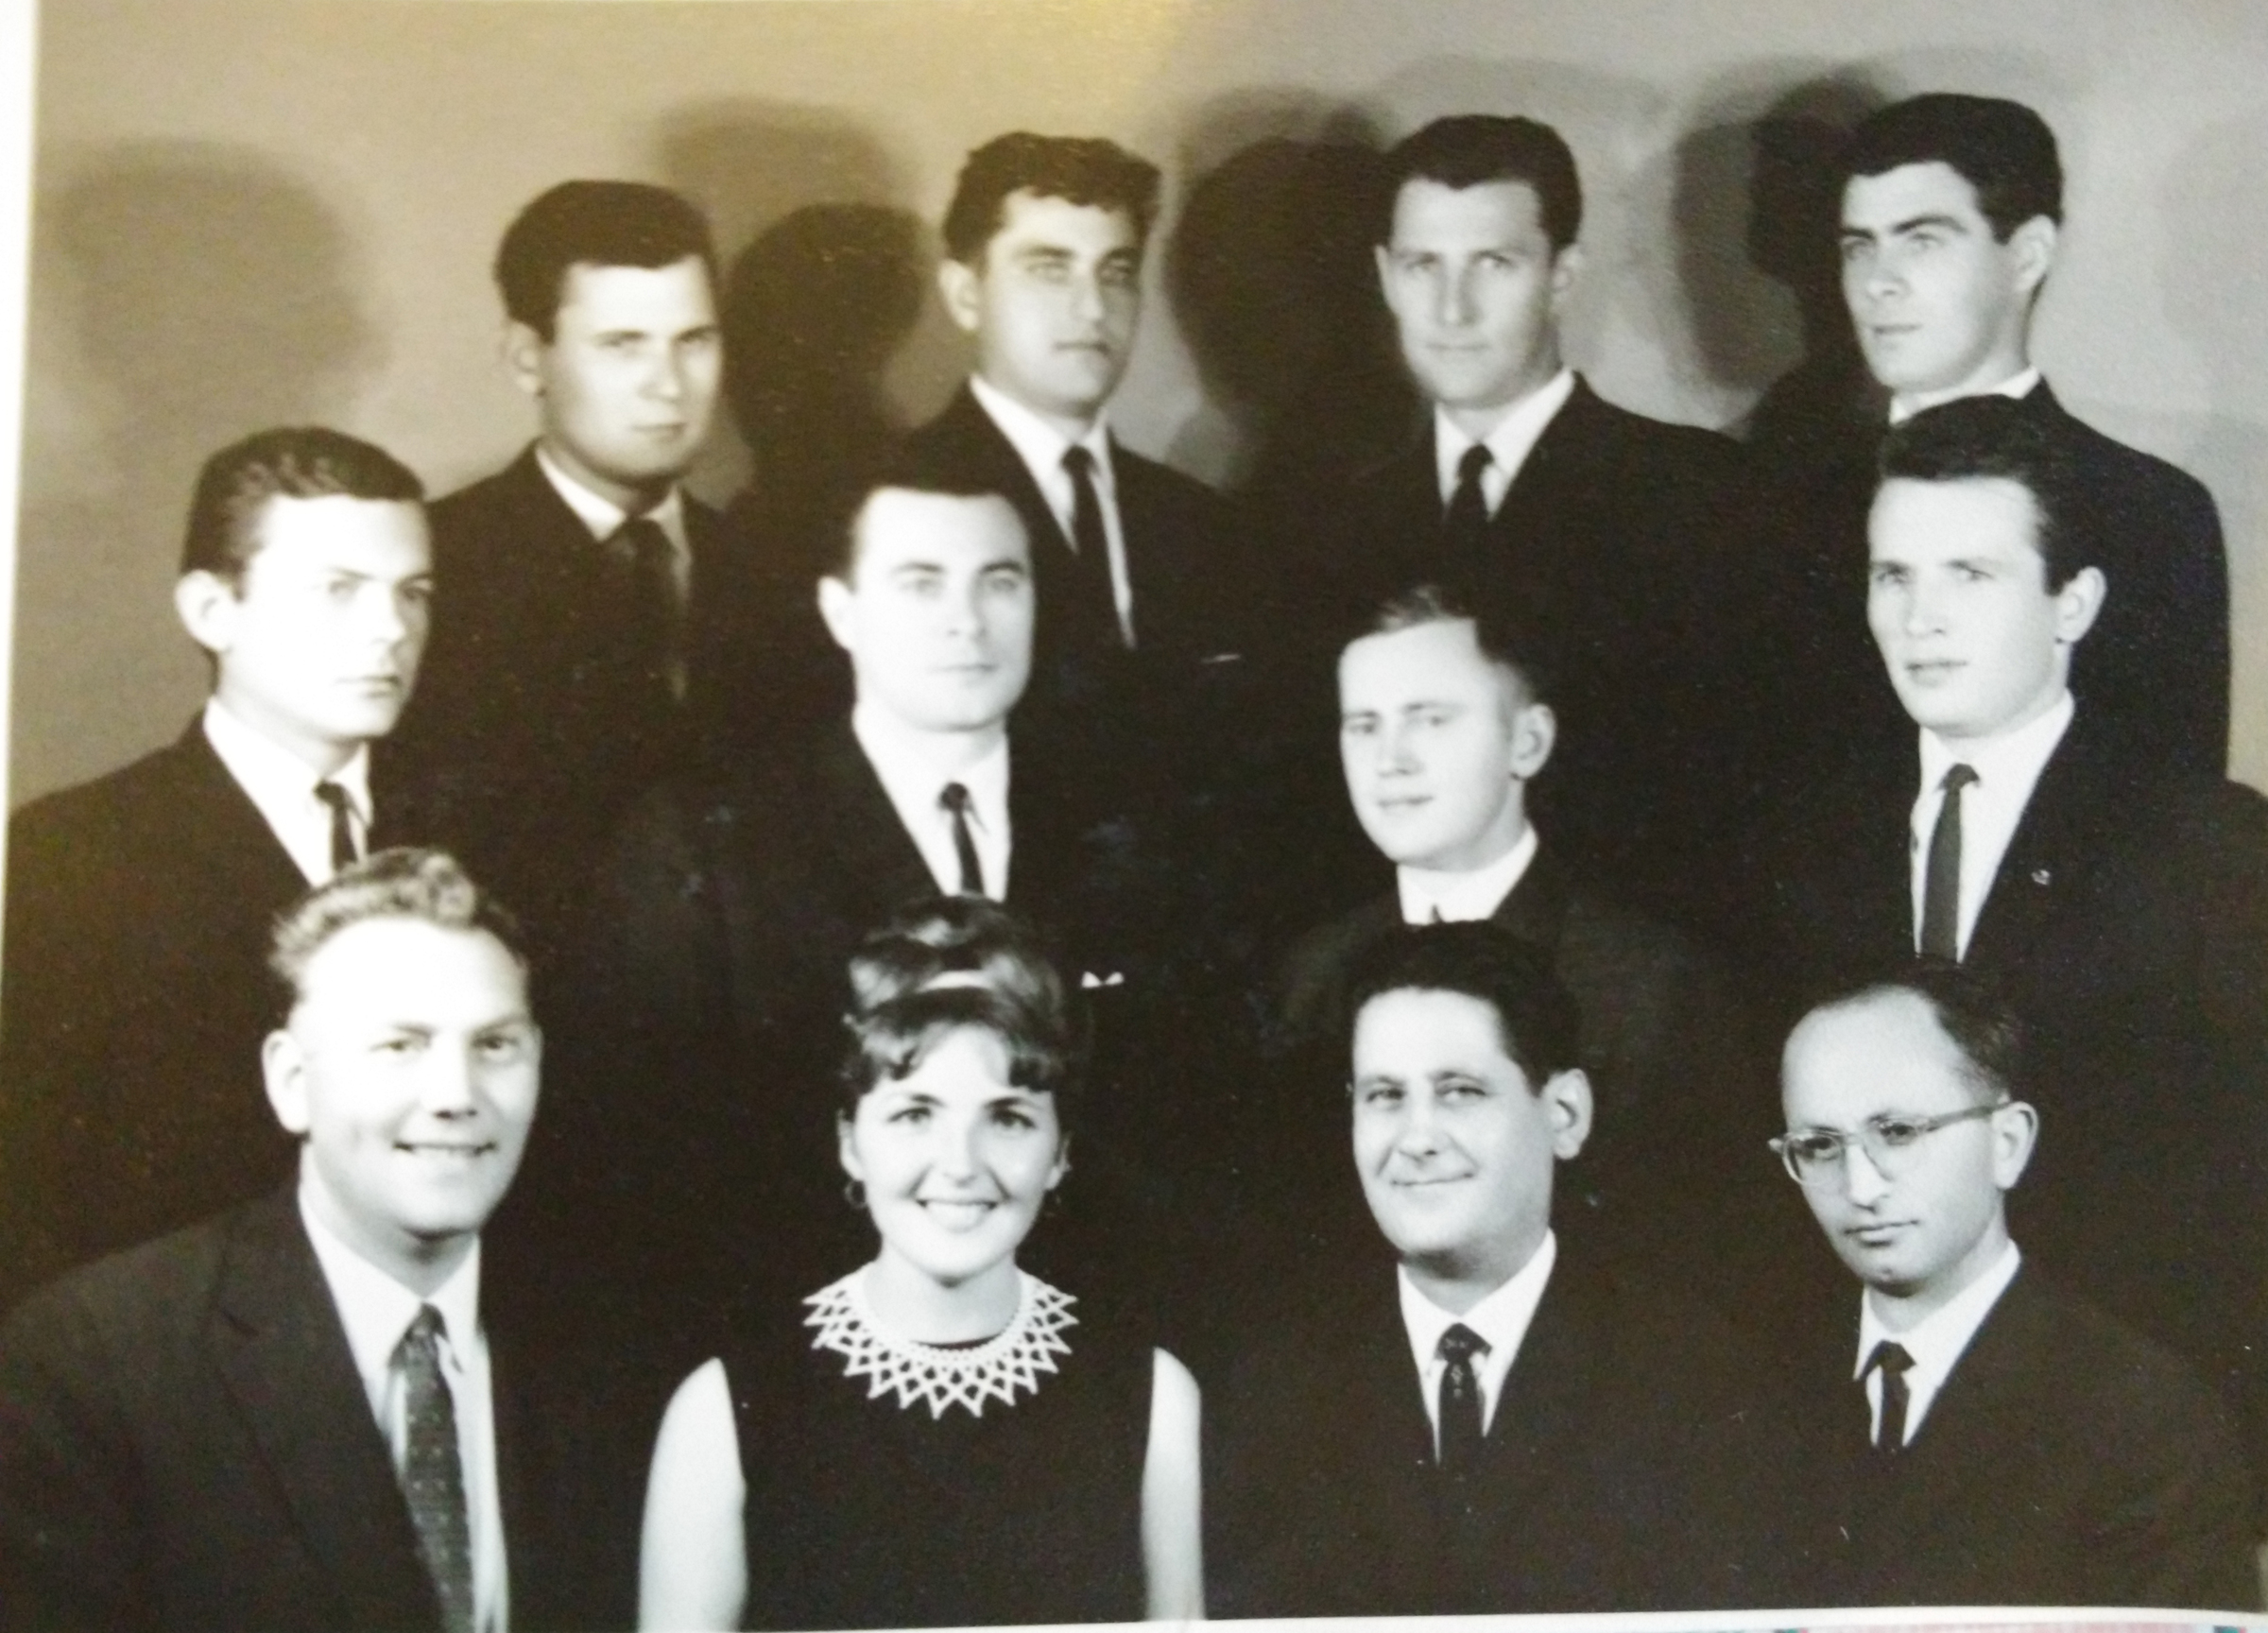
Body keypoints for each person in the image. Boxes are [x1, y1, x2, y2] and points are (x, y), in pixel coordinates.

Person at [1767, 395, 2268, 1494]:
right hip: (1848, 1442)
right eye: (1894, 577)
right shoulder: (1801, 843)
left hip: (2118, 1446)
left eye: (1971, 575)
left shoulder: (2209, 851)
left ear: (2072, 602)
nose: (1922, 620)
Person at [576, 462, 1173, 1331]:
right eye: (921, 584)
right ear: (840, 612)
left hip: (1095, 1330)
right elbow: (656, 1158)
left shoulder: (1131, 820)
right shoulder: (706, 838)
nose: (967, 620)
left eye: (999, 581)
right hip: (798, 1334)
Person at [0, 850, 644, 1630]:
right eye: (400, 1045)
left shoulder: (618, 1354)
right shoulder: (93, 1361)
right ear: (291, 1082)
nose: (455, 1095)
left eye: (494, 1046)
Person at [636, 898, 1203, 1629]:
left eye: (1008, 1118)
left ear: (1061, 1152)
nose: (960, 1165)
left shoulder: (1150, 1397)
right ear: (850, 1142)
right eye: (914, 1114)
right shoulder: (726, 1411)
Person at [1210, 923, 1792, 1617]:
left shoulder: (1698, 1380)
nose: (1417, 1139)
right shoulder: (1273, 1389)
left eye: (1459, 1091)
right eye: (1384, 1096)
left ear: (1565, 1114)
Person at [0, 426, 434, 1307]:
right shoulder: (68, 856)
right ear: (211, 611)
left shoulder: (486, 833)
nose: (392, 629)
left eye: (414, 592)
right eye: (339, 590)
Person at [1327, 113, 1768, 936]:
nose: (1452, 309)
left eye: (1493, 264)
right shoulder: (1334, 525)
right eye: (1424, 266)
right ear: (1385, 276)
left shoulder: (1700, 494)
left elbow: (1739, 810)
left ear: (1563, 277)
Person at [1270, 581, 1770, 1292]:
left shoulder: (1652, 983)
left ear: (1529, 741)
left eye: (1430, 719)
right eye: (1364, 725)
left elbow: (1716, 1260)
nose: (1390, 759)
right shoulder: (1311, 975)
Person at [1774, 963, 2256, 1607]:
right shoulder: (1752, 1388)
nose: (1860, 1188)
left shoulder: (2148, 1423)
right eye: (1818, 1145)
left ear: (2008, 1142)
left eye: (1898, 1132)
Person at [1778, 93, 2228, 776]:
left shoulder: (2149, 511)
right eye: (1859, 247)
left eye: (1922, 241)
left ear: (2026, 256)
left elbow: (2174, 806)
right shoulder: (1778, 499)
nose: (1878, 284)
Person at [391, 180, 734, 966]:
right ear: (527, 358)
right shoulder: (431, 569)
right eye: (622, 345)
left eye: (694, 340)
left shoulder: (778, 565)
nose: (669, 385)